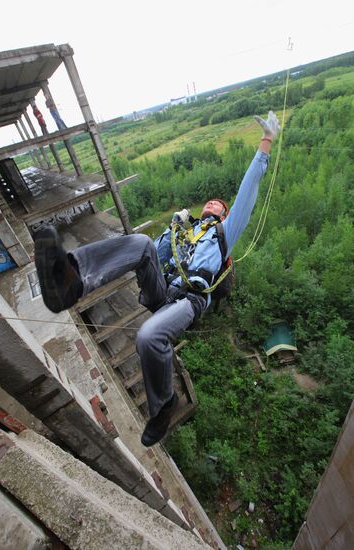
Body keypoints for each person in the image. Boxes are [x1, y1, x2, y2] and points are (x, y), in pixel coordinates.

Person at [34, 111, 280, 447]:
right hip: (162, 289)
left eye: (219, 206)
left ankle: (164, 406)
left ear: (224, 216)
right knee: (141, 242)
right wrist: (172, 229)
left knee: (148, 337)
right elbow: (157, 258)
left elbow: (247, 192)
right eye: (209, 202)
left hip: (189, 300)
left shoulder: (223, 234)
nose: (212, 204)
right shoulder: (183, 231)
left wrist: (265, 144)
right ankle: (72, 280)